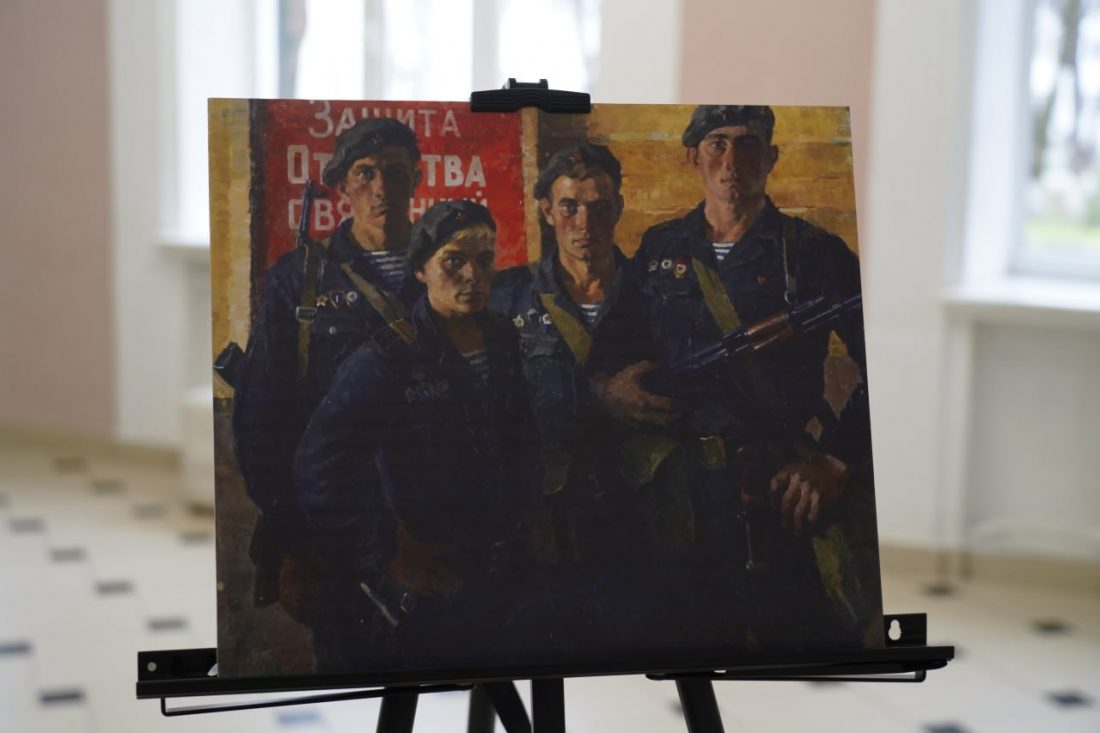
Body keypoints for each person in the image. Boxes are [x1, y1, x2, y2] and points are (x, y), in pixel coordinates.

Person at [634, 105, 877, 650]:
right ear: (693, 157)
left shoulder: (813, 253)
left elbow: (884, 363)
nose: (732, 161)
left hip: (780, 484)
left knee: (798, 639)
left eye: (747, 144)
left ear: (771, 157)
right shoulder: (659, 249)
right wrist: (614, 389)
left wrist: (836, 459)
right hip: (680, 485)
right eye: (717, 144)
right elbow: (626, 347)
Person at [294, 200, 545, 672]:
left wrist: (534, 510)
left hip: (506, 574)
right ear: (421, 270)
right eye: (454, 261)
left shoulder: (505, 340)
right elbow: (318, 466)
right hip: (432, 585)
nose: (473, 275)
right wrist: (386, 550)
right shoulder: (388, 357)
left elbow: (522, 437)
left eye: (484, 260)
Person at [231, 117, 424, 669]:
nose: (381, 188)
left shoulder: (447, 268)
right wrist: (294, 542)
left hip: (429, 521)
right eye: (365, 173)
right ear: (343, 186)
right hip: (336, 528)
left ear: (415, 179)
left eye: (395, 172)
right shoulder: (299, 280)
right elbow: (262, 420)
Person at [489, 142, 681, 654]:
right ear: (546, 210)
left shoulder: (659, 295)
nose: (584, 223)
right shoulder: (506, 298)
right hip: (541, 528)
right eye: (569, 207)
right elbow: (490, 407)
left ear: (619, 208)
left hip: (640, 529)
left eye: (599, 207)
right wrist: (597, 397)